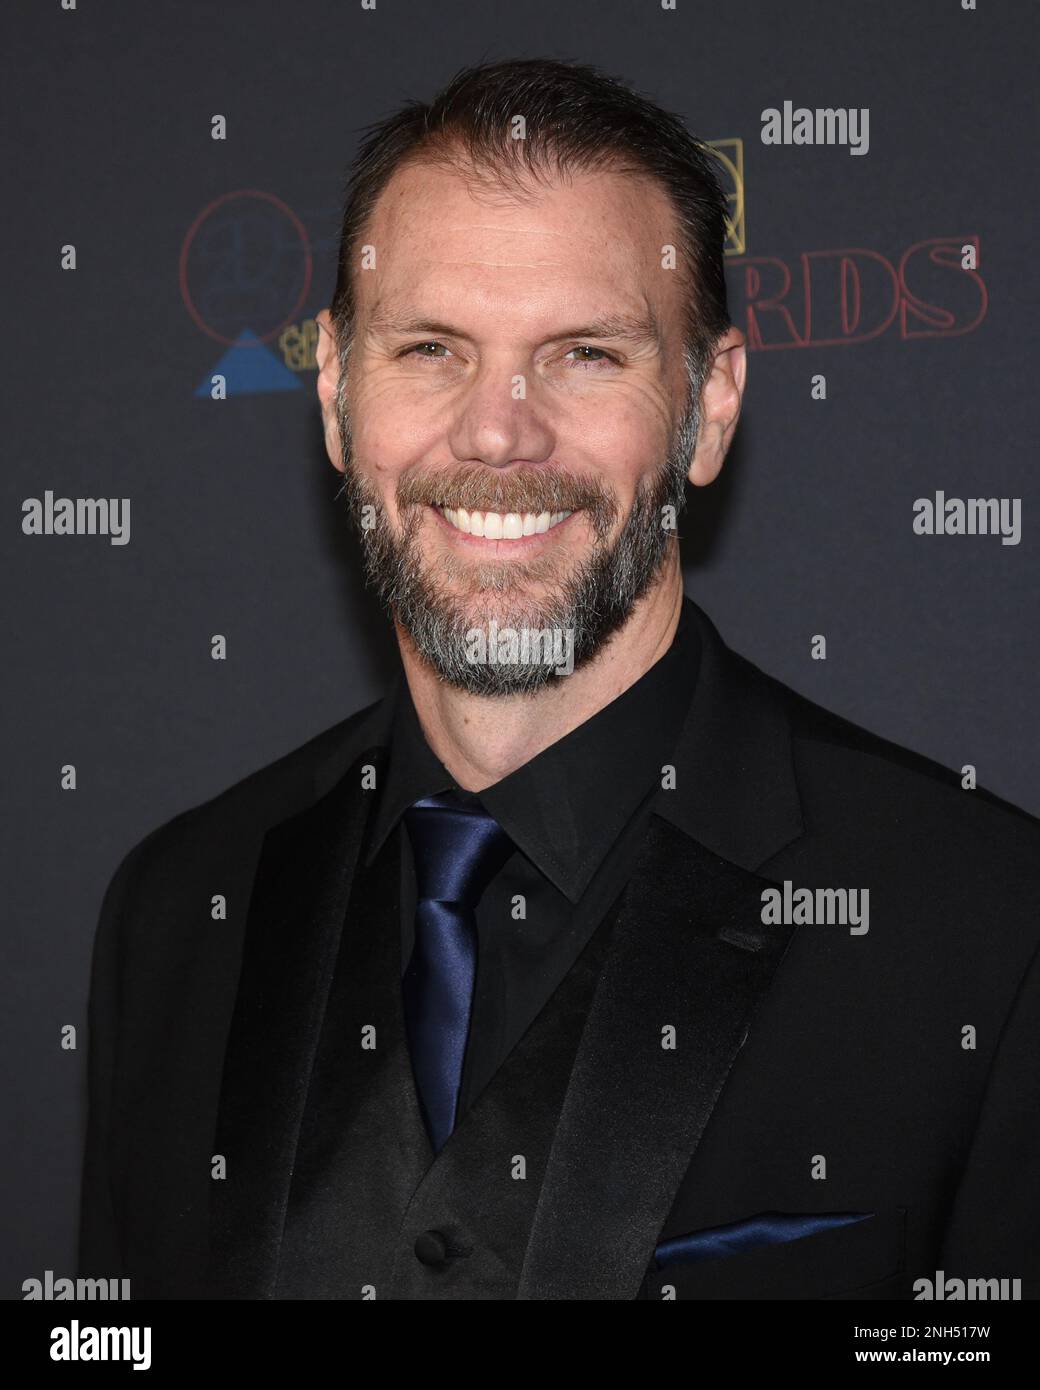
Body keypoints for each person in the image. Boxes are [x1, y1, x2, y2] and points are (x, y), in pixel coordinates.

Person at [79, 57, 1040, 1300]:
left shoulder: (982, 929)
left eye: (584, 355)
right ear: (333, 393)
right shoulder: (176, 915)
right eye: (430, 348)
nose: (497, 431)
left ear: (706, 410)